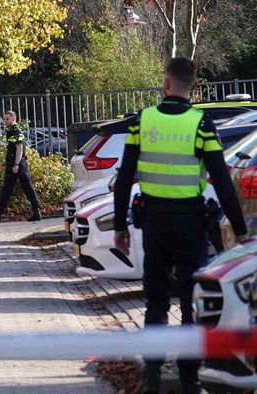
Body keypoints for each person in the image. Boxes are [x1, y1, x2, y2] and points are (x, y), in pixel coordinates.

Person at [113, 57, 249, 394]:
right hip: (190, 225)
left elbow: (125, 176)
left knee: (156, 301)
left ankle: (154, 376)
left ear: (165, 83)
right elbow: (222, 180)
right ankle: (189, 379)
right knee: (191, 304)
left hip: (154, 226)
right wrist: (241, 232)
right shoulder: (202, 125)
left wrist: (120, 228)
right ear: (193, 88)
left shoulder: (142, 122)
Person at [0, 110, 41, 223]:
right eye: (4, 119)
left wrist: (15, 164)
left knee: (7, 189)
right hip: (19, 163)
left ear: (13, 119)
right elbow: (12, 149)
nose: (5, 121)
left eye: (7, 119)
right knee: (28, 188)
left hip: (16, 165)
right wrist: (7, 161)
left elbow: (19, 149)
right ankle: (36, 211)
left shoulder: (15, 131)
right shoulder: (14, 131)